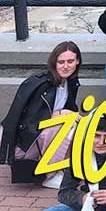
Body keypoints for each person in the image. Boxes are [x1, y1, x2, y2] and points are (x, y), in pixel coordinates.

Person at [0, 41, 81, 187]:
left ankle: (62, 169)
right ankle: (49, 175)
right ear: (54, 62)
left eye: (70, 61)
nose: (65, 66)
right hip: (25, 143)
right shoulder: (40, 84)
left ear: (77, 61)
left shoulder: (70, 82)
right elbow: (30, 122)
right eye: (61, 62)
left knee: (77, 125)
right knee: (69, 124)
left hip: (42, 137)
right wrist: (63, 113)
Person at [46, 116, 106, 211]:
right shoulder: (79, 155)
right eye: (96, 136)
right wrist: (82, 198)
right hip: (89, 202)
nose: (101, 142)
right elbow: (64, 193)